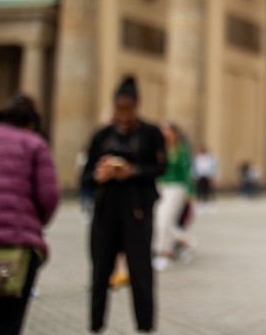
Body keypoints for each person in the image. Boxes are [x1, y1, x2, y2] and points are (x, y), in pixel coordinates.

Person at [83, 75, 166, 334]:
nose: (125, 116)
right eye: (120, 110)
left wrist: (133, 171)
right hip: (106, 210)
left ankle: (145, 326)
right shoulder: (102, 136)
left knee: (141, 272)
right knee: (100, 272)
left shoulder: (150, 133)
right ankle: (96, 325)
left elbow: (160, 167)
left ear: (137, 107)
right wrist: (100, 175)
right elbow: (85, 175)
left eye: (129, 109)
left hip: (137, 210)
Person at [0, 94, 60, 334]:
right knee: (7, 323)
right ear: (31, 123)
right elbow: (49, 197)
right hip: (17, 249)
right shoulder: (33, 143)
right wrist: (33, 223)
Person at [152, 121, 194, 271]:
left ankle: (163, 253)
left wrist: (191, 192)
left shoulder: (180, 150)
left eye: (168, 131)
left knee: (165, 219)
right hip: (160, 185)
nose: (165, 134)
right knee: (158, 219)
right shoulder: (159, 149)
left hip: (176, 187)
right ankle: (183, 240)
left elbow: (186, 172)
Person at [193, 145, 217, 212]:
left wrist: (213, 177)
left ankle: (209, 204)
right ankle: (200, 204)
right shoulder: (197, 158)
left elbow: (214, 167)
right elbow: (194, 167)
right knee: (200, 190)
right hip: (200, 176)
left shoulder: (210, 158)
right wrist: (194, 176)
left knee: (208, 190)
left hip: (208, 175)